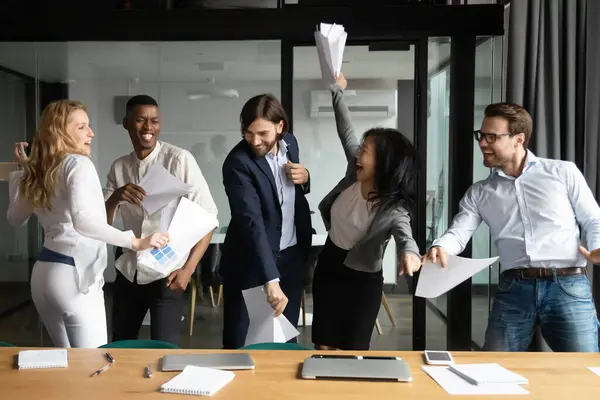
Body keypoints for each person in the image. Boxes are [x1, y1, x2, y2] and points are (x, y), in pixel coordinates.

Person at [425, 102, 600, 352]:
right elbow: (459, 232)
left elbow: (593, 218)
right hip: (514, 289)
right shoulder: (480, 192)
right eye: (481, 135)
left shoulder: (563, 173)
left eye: (491, 137)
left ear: (518, 139)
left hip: (567, 285)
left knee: (583, 376)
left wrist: (597, 246)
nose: (482, 143)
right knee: (493, 370)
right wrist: (440, 246)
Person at [7, 100, 169, 348]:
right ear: (60, 132)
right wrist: (135, 242)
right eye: (82, 127)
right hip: (73, 277)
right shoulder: (77, 163)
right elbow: (84, 222)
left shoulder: (40, 169)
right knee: (92, 367)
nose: (91, 133)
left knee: (67, 364)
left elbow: (15, 218)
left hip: (43, 277)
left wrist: (23, 171)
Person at [311, 73, 422, 351]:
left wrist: (409, 253)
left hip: (362, 280)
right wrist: (337, 91)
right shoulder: (355, 171)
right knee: (323, 345)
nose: (358, 153)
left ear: (384, 163)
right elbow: (345, 130)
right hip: (329, 264)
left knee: (353, 349)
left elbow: (404, 235)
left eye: (365, 151)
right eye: (360, 149)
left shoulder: (393, 208)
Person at [104, 95, 218, 345]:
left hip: (167, 273)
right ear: (126, 123)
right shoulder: (119, 167)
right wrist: (115, 197)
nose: (148, 127)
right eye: (140, 120)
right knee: (120, 345)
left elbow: (209, 217)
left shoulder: (179, 160)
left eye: (154, 121)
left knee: (164, 349)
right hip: (129, 271)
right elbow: (103, 225)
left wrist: (188, 270)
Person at [220, 93, 312, 349]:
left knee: (284, 342)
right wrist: (270, 279)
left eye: (262, 133)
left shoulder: (290, 144)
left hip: (290, 259)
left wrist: (306, 178)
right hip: (250, 264)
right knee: (242, 344)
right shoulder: (237, 163)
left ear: (280, 127)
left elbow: (294, 195)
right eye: (248, 133)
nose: (254, 141)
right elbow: (251, 221)